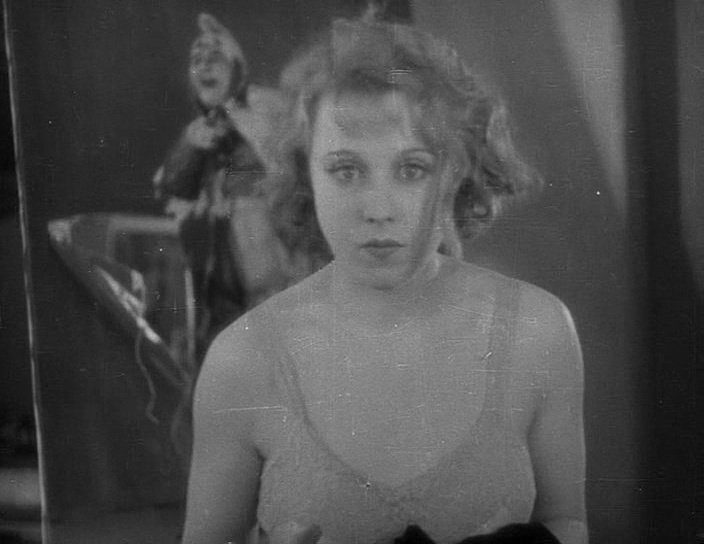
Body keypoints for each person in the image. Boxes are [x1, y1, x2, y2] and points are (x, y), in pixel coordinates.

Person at [182, 15, 587, 544]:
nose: (377, 209)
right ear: (306, 175)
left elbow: (567, 521)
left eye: (412, 169)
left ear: (454, 172)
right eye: (345, 170)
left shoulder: (538, 330)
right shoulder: (242, 359)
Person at [154, 14, 313, 363]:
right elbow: (173, 187)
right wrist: (191, 145)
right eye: (197, 59)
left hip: (271, 254)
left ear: (236, 66)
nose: (204, 66)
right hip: (221, 264)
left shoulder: (264, 107)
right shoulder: (203, 129)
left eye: (215, 57)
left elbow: (294, 165)